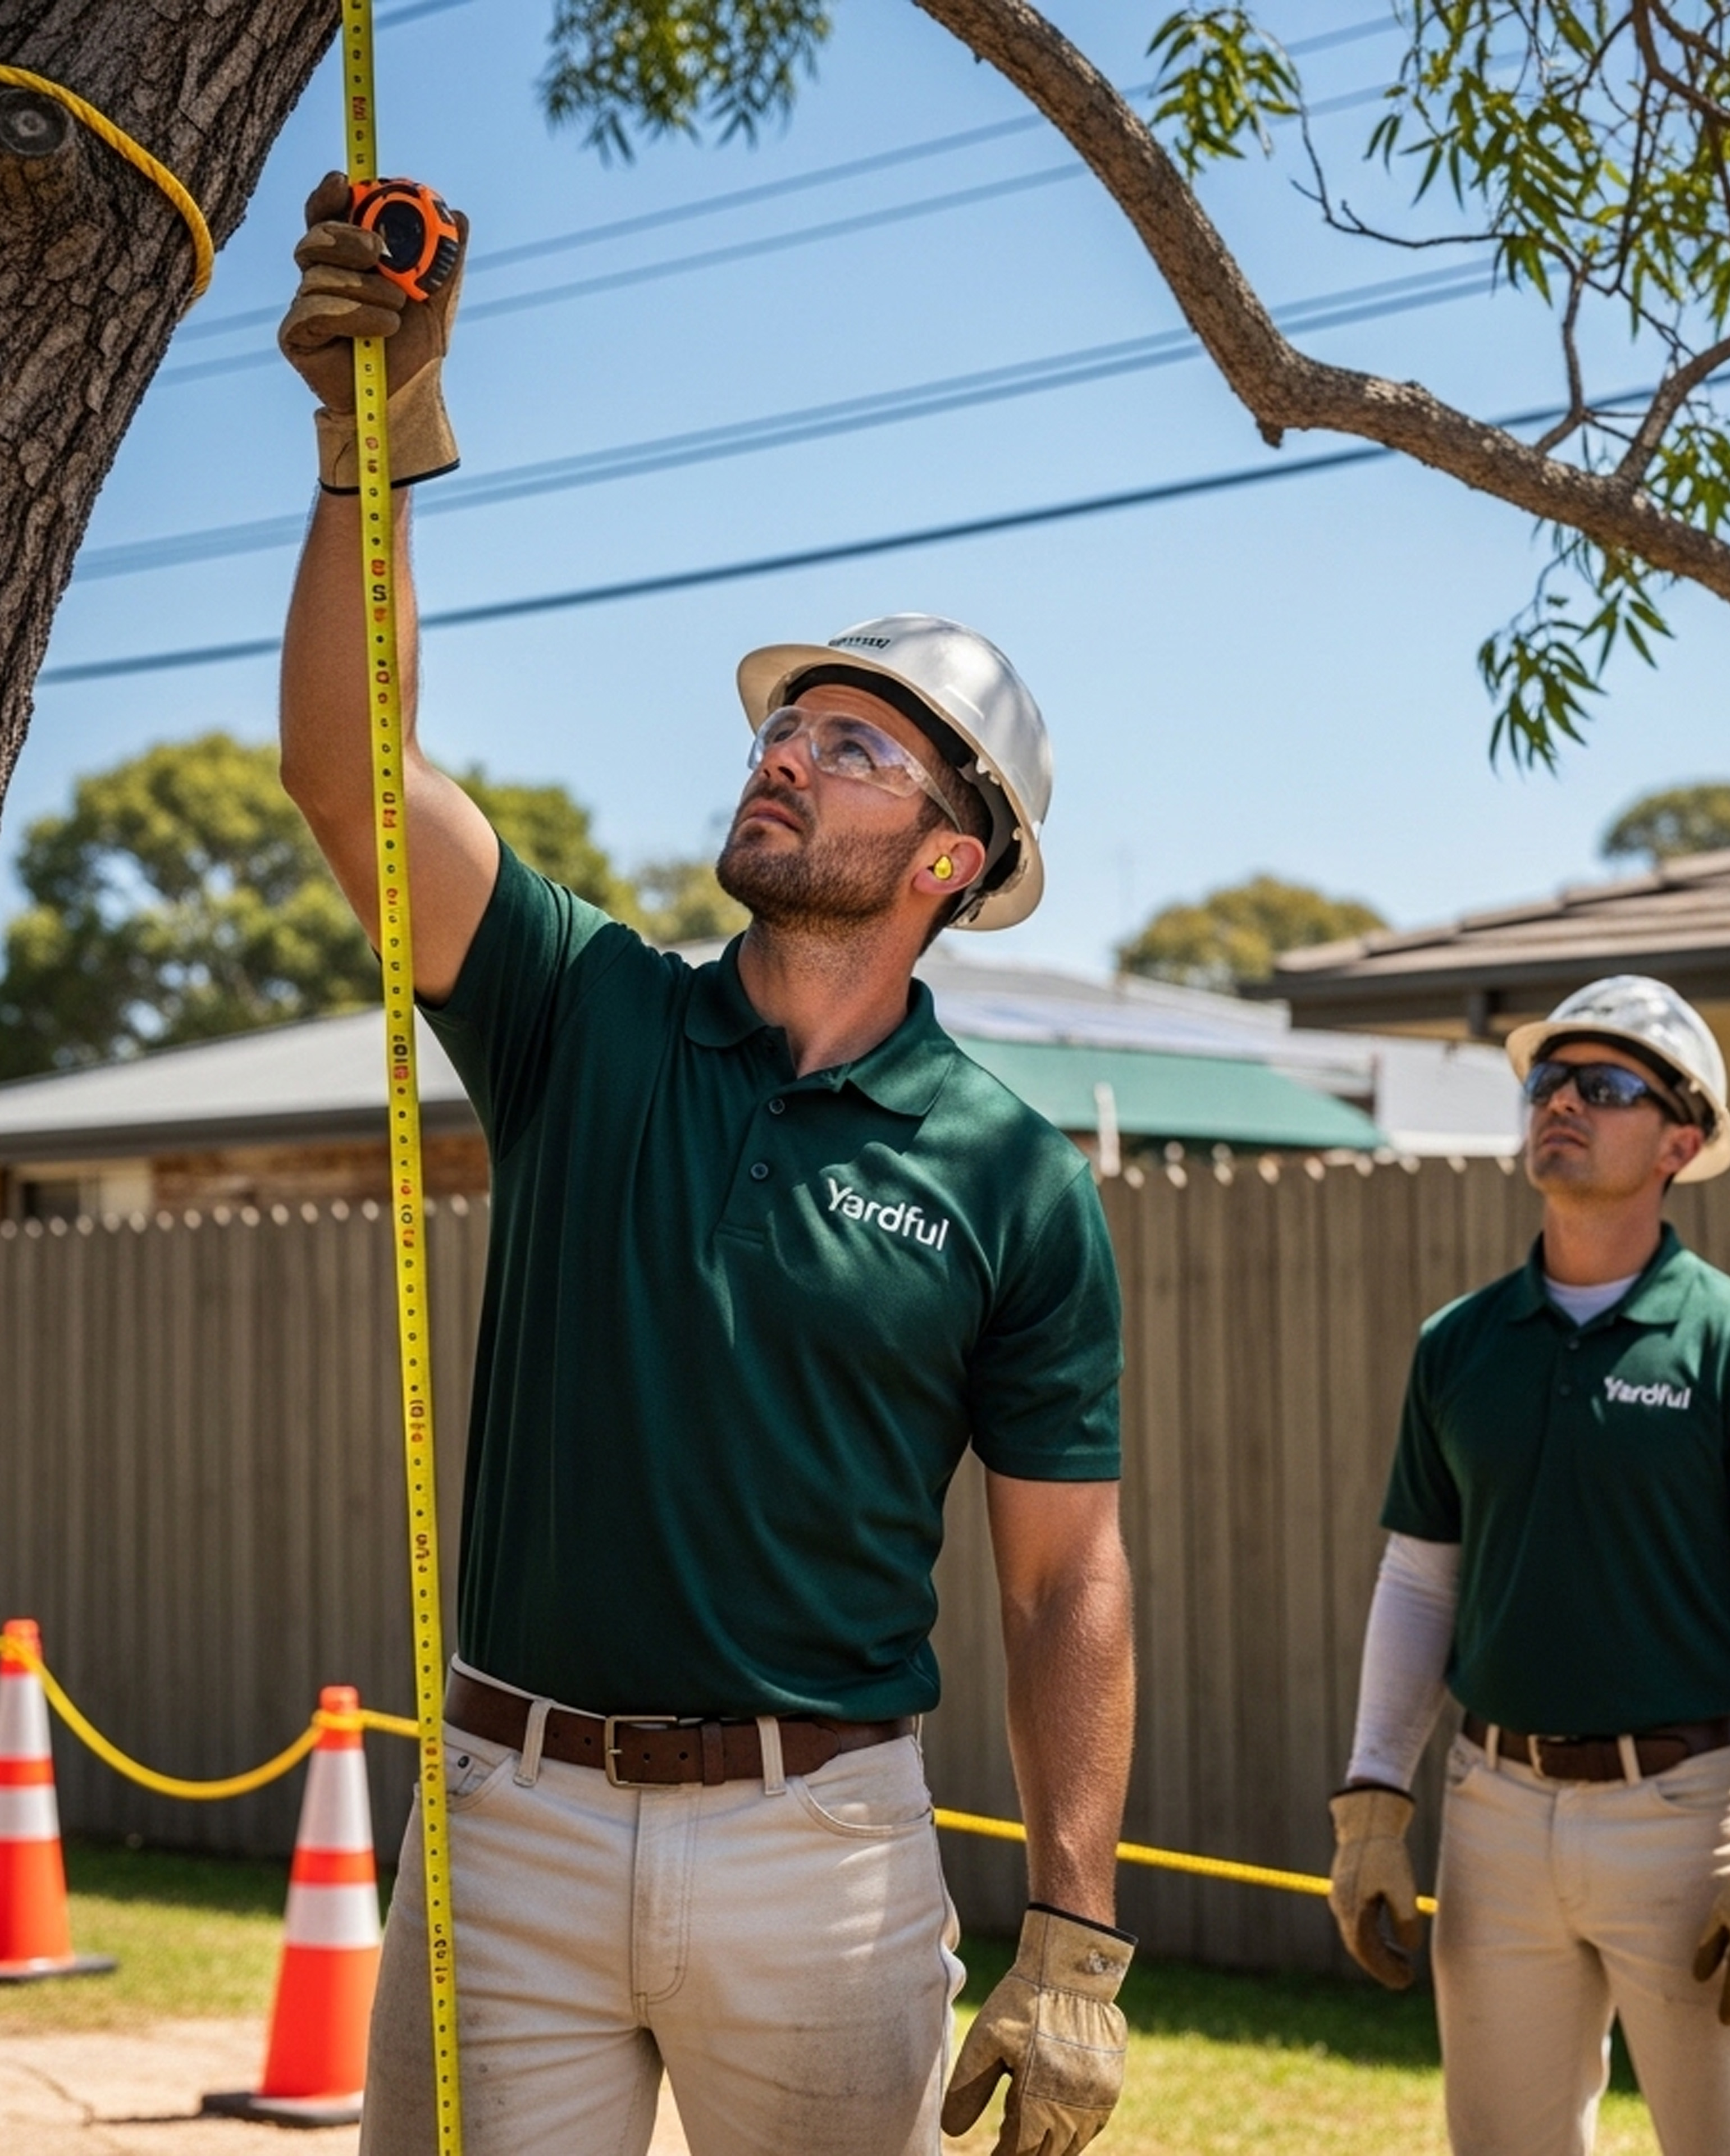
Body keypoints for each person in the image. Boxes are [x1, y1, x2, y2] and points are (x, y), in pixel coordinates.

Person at [275, 177, 1136, 2156]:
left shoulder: (1010, 1180)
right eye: (787, 726)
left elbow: (1066, 1576)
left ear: (951, 861)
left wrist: (1074, 1936)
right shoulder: (586, 1010)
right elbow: (354, 772)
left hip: (821, 1851)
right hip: (508, 1829)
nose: (785, 754)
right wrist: (367, 445)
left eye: (853, 748)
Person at [1327, 976, 1730, 2156]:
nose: (1562, 1101)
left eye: (1606, 1086)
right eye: (1548, 1080)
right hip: (1493, 1811)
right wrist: (1372, 1800)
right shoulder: (1459, 1346)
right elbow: (1420, 1580)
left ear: (1685, 1138)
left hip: (1692, 1817)